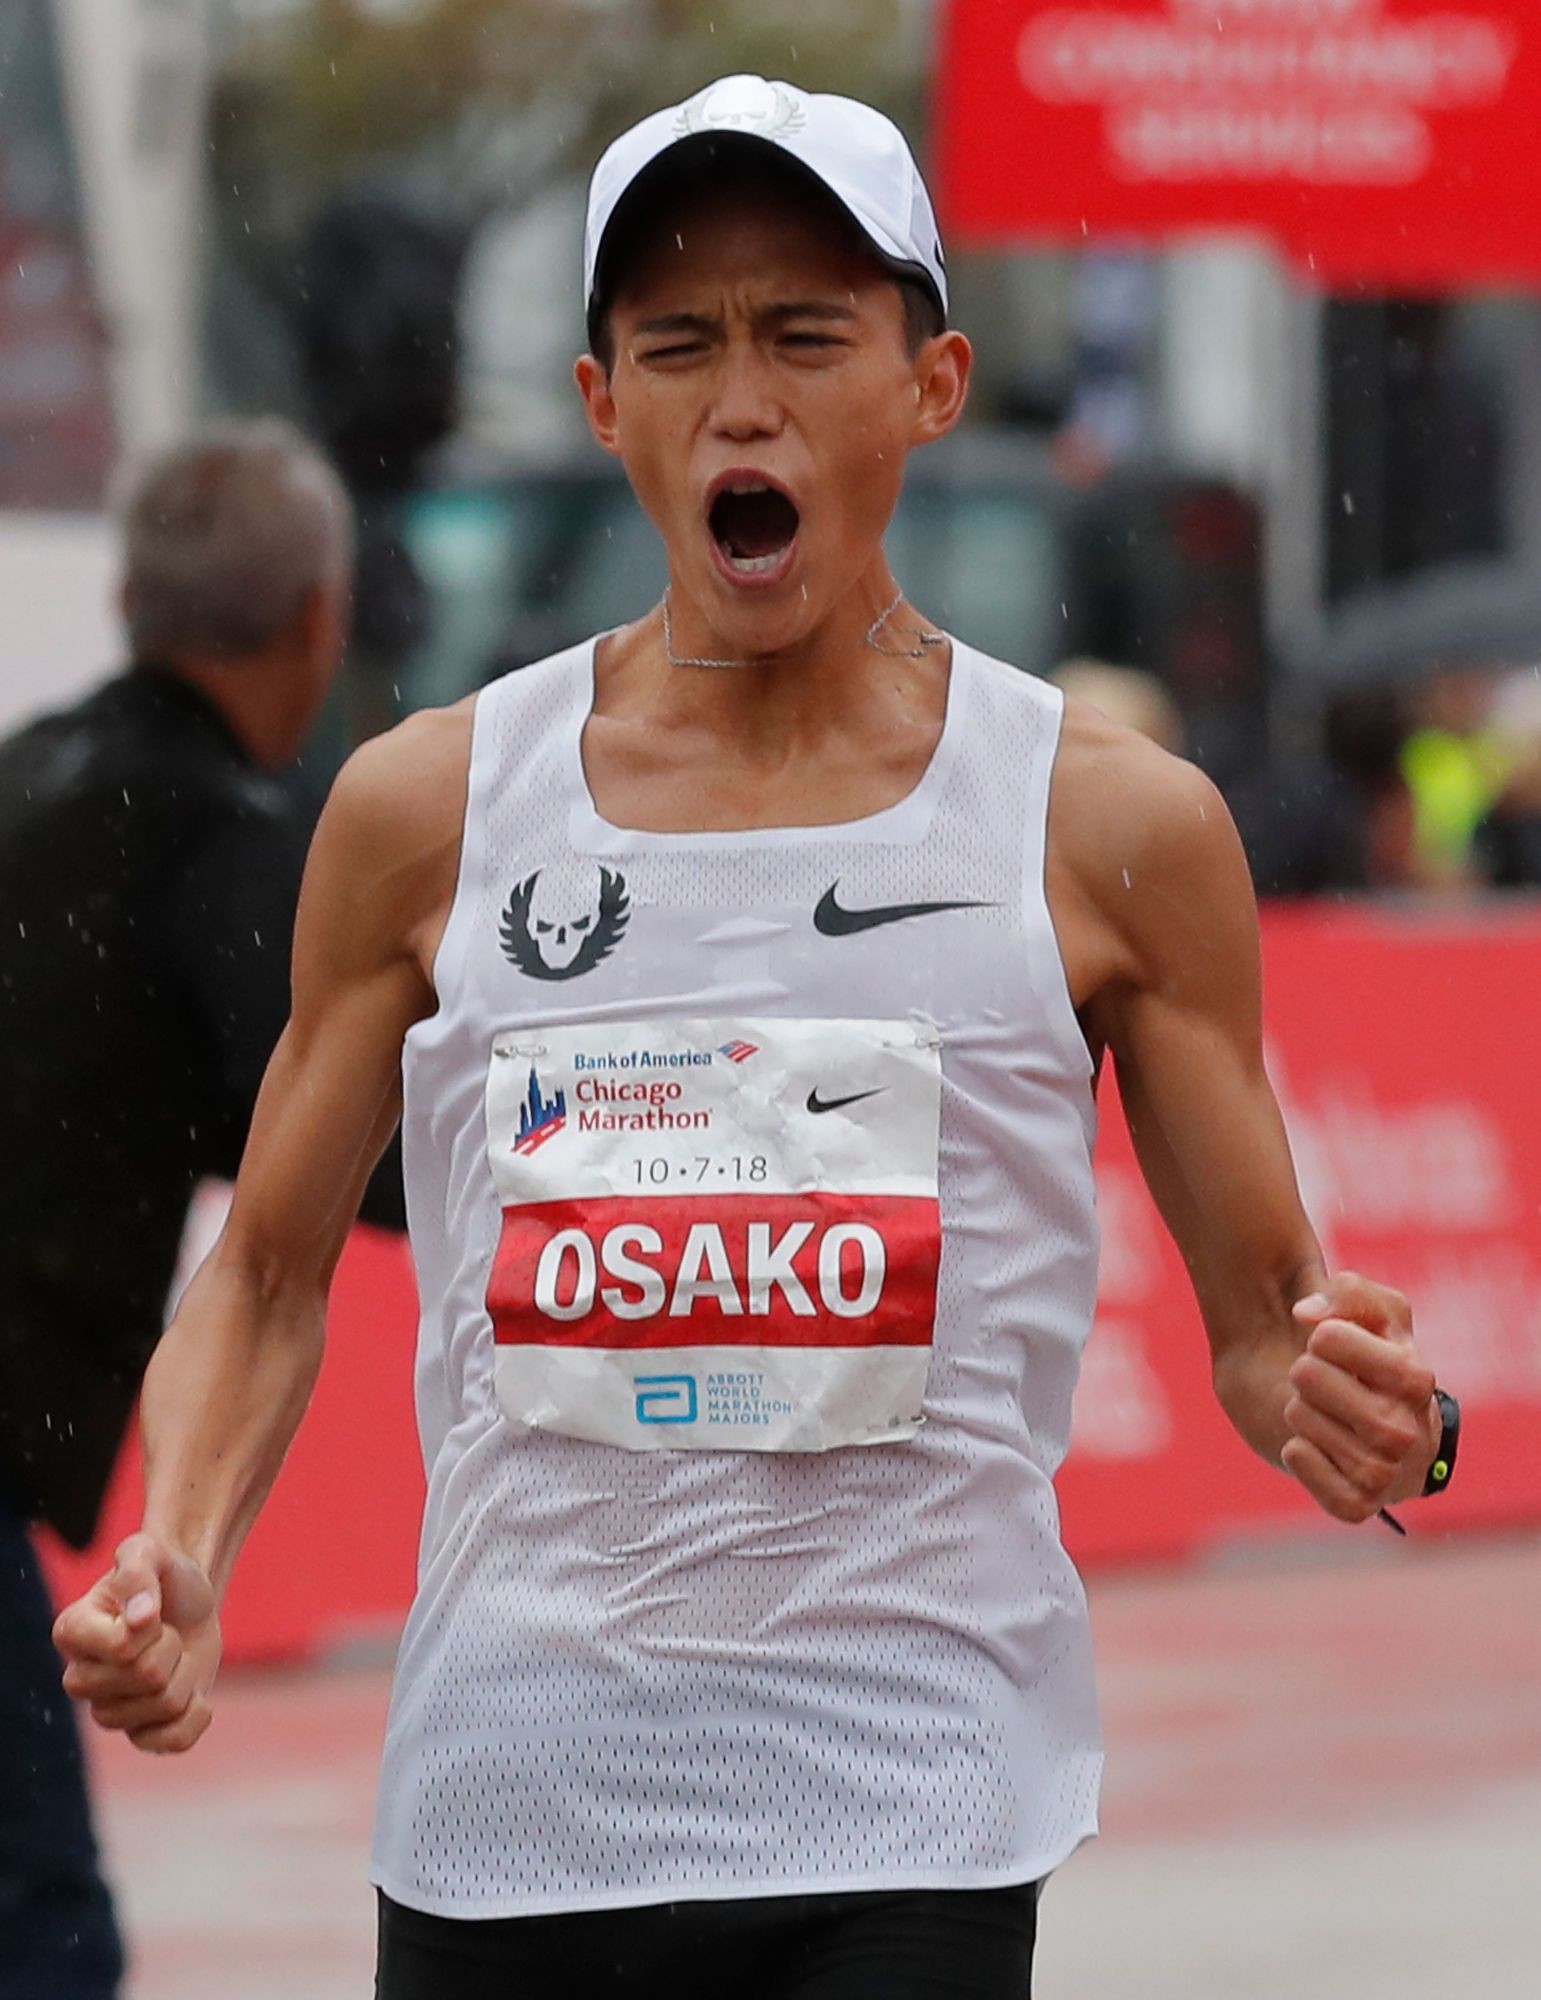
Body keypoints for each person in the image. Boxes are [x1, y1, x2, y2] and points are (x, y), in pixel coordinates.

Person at [54, 79, 1457, 1999]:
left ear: (934, 384)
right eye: (677, 345)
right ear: (597, 401)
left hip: (909, 1815)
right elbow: (268, 1269)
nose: (740, 402)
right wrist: (184, 1543)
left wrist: (1362, 1411)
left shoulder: (1105, 824)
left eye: (804, 336)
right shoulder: (428, 811)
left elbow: (1264, 1319)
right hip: (506, 1819)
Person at [0, 419, 404, 1998]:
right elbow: (347, 1151)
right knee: (42, 1930)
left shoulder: (28, 771)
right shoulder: (223, 834)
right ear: (317, 618)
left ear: (129, 604)